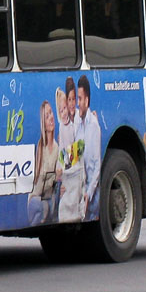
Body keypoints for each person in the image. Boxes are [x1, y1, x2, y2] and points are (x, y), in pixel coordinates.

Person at [56, 76, 85, 222]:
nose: (72, 104)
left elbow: (82, 149)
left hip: (79, 174)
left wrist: (66, 158)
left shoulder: (80, 120)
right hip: (68, 176)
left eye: (74, 100)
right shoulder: (63, 126)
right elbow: (62, 156)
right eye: (69, 100)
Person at [27, 99, 58, 225]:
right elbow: (39, 184)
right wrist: (54, 177)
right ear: (43, 124)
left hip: (49, 198)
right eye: (47, 116)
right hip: (37, 198)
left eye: (51, 113)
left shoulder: (57, 148)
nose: (51, 117)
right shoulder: (40, 147)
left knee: (46, 206)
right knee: (39, 206)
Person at [75, 74, 102, 221]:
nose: (78, 103)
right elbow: (76, 156)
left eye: (80, 99)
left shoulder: (93, 126)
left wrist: (88, 194)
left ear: (87, 100)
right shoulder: (79, 125)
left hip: (91, 197)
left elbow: (96, 166)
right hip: (81, 191)